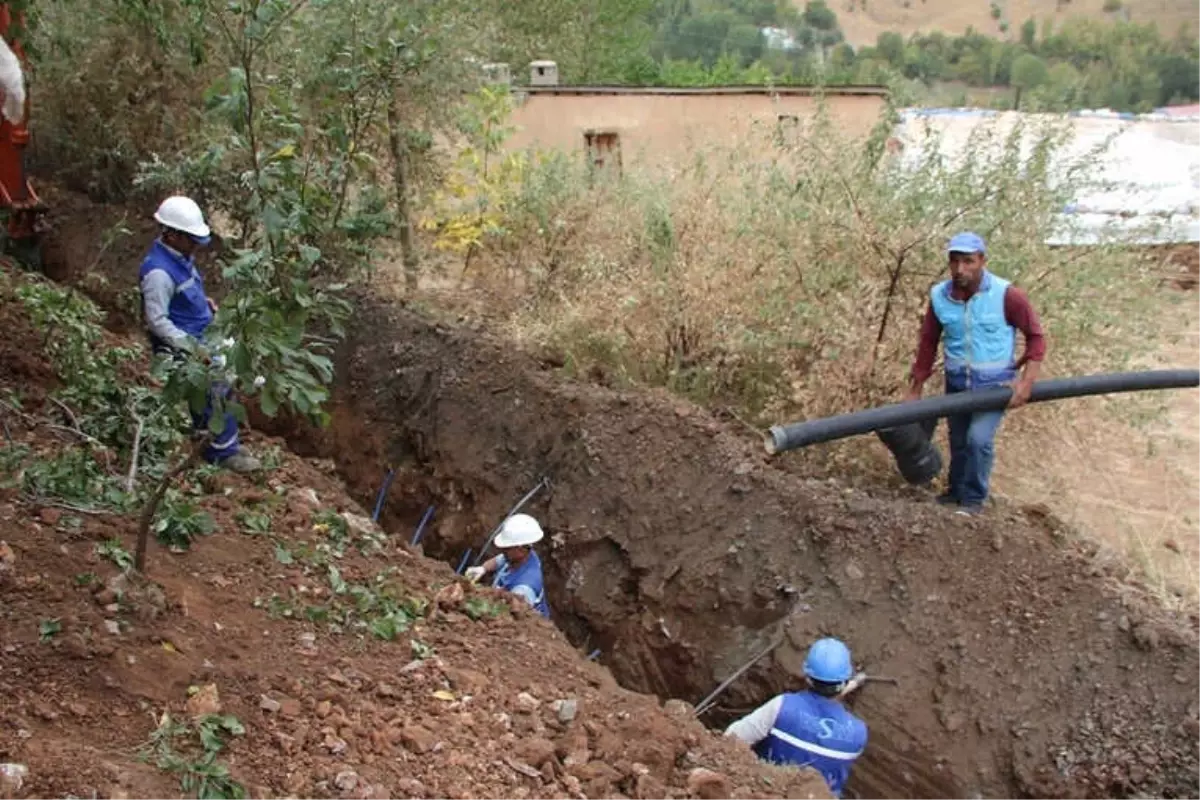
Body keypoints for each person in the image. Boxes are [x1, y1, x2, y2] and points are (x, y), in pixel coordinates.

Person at [905, 231, 1046, 515]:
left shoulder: (1007, 295)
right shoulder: (940, 297)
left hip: (994, 388)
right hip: (957, 384)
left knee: (978, 440)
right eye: (954, 262)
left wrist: (1026, 382)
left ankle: (973, 501)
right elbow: (929, 342)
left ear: (982, 260)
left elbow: (1036, 338)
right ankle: (954, 492)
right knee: (958, 441)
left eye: (968, 261)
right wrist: (915, 388)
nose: (960, 269)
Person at [139, 195, 261, 474]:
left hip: (203, 333)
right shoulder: (158, 273)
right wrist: (192, 349)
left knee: (233, 373)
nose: (195, 245)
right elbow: (157, 321)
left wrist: (204, 305)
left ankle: (223, 439)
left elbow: (186, 292)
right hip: (185, 343)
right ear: (172, 234)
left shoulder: (180, 258)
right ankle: (221, 452)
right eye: (190, 239)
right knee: (215, 384)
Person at [725, 638, 868, 798]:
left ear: (807, 676)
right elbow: (824, 715)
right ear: (844, 681)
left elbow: (731, 738)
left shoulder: (782, 707)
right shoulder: (858, 733)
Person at [464, 513, 550, 618]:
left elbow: (511, 615)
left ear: (521, 549)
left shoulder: (525, 588)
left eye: (507, 547)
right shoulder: (519, 556)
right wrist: (482, 569)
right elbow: (498, 560)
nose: (502, 550)